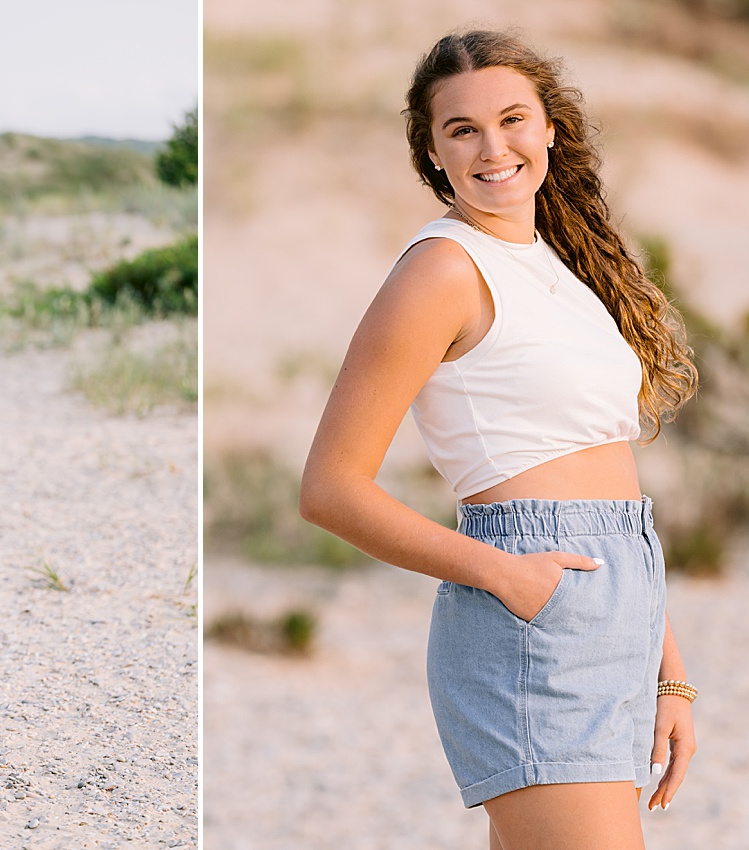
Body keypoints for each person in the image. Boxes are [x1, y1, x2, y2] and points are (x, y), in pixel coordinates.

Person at [299, 31, 698, 849]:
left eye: (513, 119)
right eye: (462, 129)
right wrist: (508, 576)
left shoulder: (563, 263)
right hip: (532, 617)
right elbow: (331, 488)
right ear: (432, 153)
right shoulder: (443, 269)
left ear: (550, 127)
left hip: (619, 598)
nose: (493, 148)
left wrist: (669, 673)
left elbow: (610, 501)